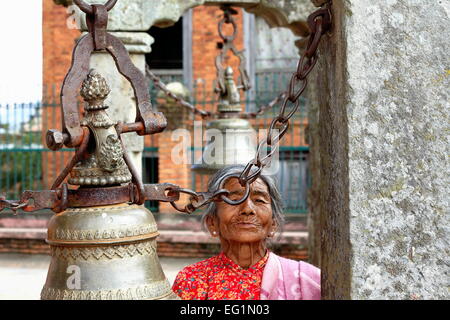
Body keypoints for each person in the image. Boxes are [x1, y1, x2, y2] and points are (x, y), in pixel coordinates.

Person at [172, 165, 321, 300]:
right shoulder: (192, 280)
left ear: (273, 224)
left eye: (259, 200)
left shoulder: (309, 280)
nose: (247, 209)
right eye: (234, 200)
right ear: (212, 223)